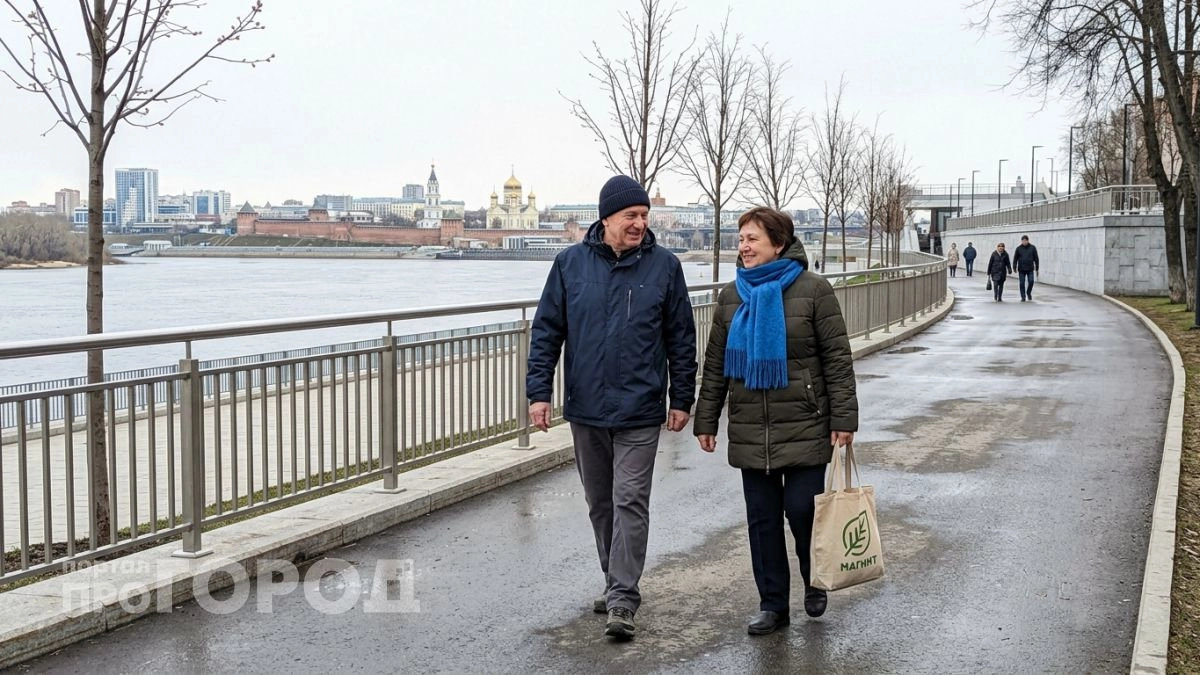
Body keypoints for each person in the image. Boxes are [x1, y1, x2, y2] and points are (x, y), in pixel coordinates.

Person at [526, 175, 698, 641]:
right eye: (631, 216)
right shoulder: (569, 265)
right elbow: (546, 333)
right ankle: (614, 577)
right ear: (606, 219)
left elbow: (681, 337)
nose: (640, 223)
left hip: (641, 409)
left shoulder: (664, 267)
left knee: (630, 501)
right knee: (600, 504)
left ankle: (623, 598)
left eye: (644, 216)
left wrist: (682, 397)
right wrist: (538, 393)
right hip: (586, 409)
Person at [692, 207, 859, 636]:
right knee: (762, 520)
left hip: (804, 422)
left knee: (802, 510)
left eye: (752, 239)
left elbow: (837, 360)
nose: (743, 247)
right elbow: (715, 365)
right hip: (751, 427)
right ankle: (772, 606)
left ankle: (814, 579)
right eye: (741, 239)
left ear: (778, 244)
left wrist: (844, 418)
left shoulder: (814, 290)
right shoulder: (732, 296)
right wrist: (706, 420)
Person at [1012, 234, 1040, 302]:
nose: (1024, 242)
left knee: (1031, 281)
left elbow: (1036, 258)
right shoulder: (1018, 248)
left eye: (1025, 240)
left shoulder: (1032, 248)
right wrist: (1014, 266)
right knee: (1022, 283)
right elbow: (1015, 258)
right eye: (1023, 241)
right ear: (1021, 241)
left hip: (1030, 268)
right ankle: (1023, 296)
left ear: (1028, 240)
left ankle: (1028, 292)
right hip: (1021, 269)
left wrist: (1037, 267)